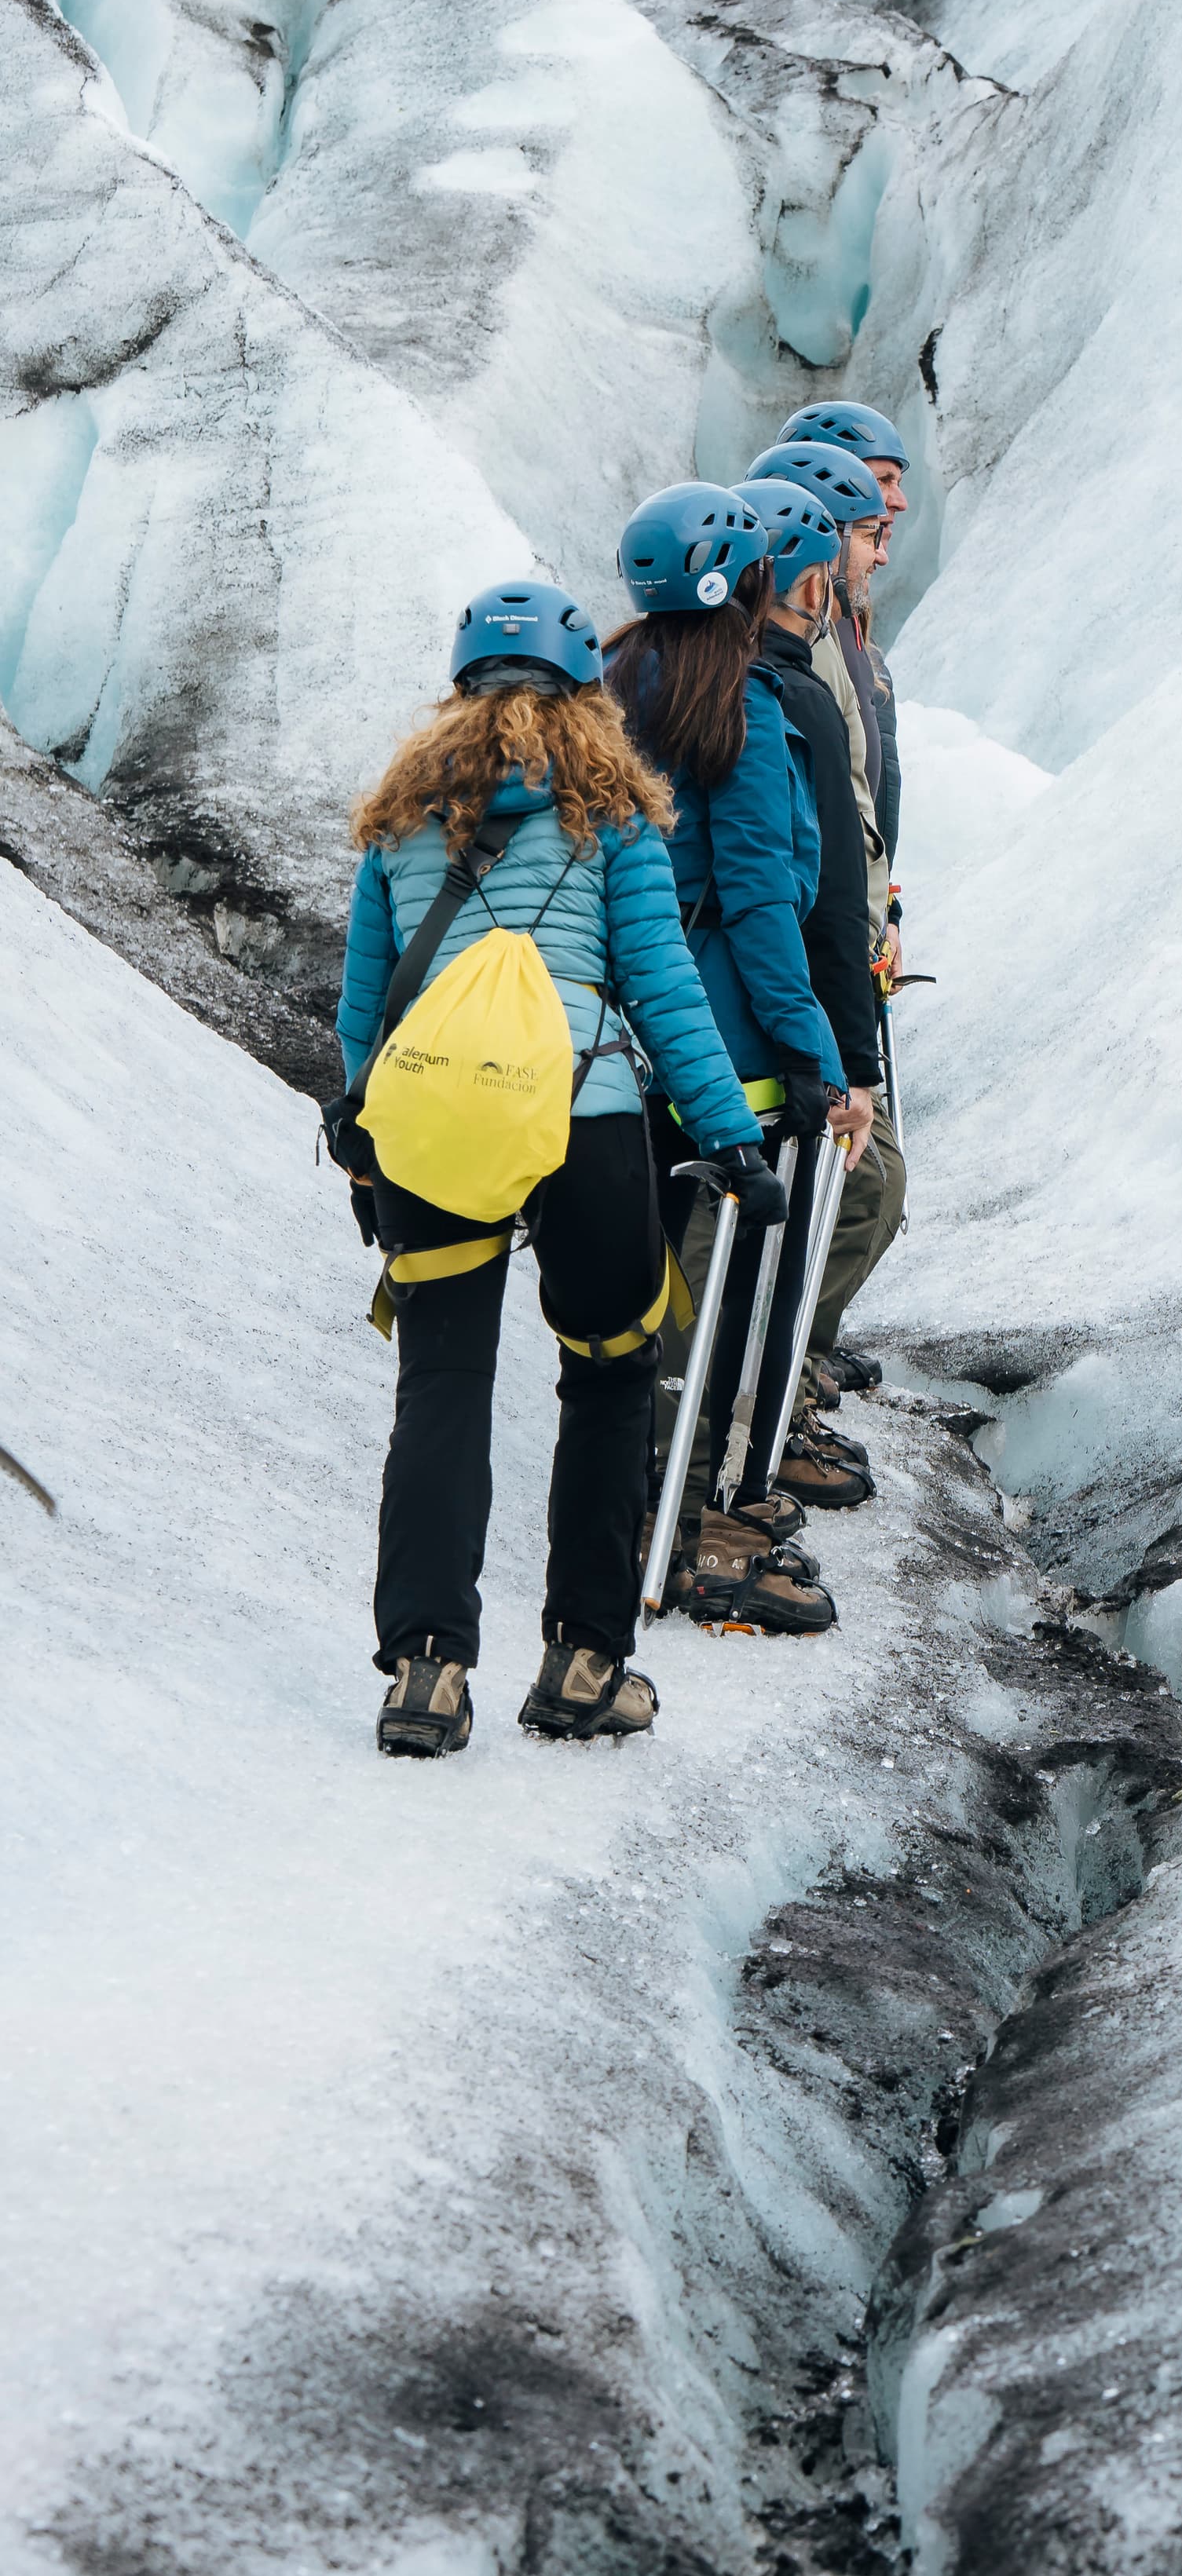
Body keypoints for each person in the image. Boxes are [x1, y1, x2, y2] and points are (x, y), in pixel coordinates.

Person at [339, 577, 782, 1759]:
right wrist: (729, 1133)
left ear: (459, 683)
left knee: (441, 1385)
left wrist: (366, 1144)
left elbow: (362, 1007)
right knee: (606, 1374)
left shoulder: (400, 813)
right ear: (587, 686)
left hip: (432, 1125)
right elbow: (662, 983)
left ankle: (427, 1671)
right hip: (584, 1116)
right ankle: (585, 1660)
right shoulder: (610, 808)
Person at [605, 484, 868, 1633]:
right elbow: (766, 902)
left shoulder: (615, 692)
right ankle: (712, 1523)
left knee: (653, 1275)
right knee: (739, 1288)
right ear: (748, 584)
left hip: (636, 1038)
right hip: (740, 1044)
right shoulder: (748, 713)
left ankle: (639, 1504)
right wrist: (821, 1060)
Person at [733, 470, 893, 1513]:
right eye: (865, 534)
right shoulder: (783, 700)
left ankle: (754, 1423)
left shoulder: (641, 674)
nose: (874, 554)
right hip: (763, 1032)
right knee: (766, 1243)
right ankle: (733, 1472)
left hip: (672, 1036)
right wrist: (841, 1056)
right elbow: (796, 890)